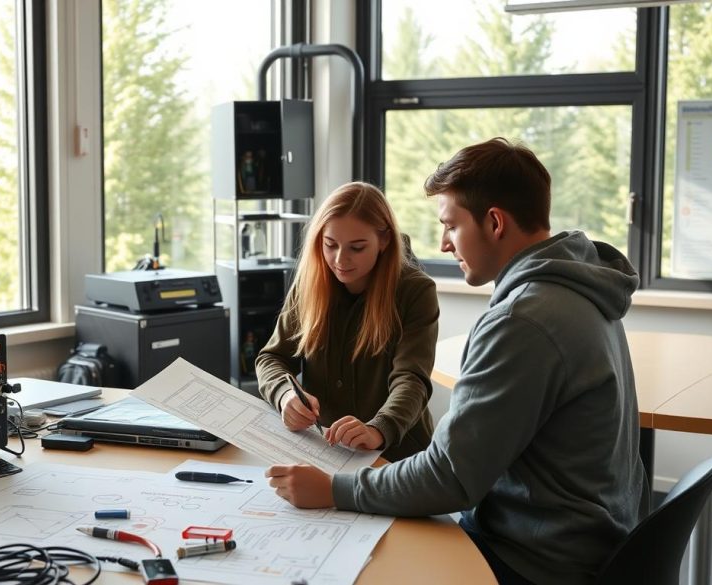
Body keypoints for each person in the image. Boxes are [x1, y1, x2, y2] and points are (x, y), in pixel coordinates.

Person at [264, 138, 649, 585]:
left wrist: (333, 489)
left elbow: (448, 475)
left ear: (495, 222)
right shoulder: (578, 286)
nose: (444, 244)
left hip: (535, 558)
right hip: (582, 535)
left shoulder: (522, 320)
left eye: (450, 225)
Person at [255, 181, 439, 463]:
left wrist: (380, 428)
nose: (340, 259)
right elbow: (271, 358)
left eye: (357, 247)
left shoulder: (415, 291)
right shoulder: (310, 284)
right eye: (330, 245)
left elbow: (411, 378)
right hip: (325, 450)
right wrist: (284, 395)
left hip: (397, 457)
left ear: (385, 240)